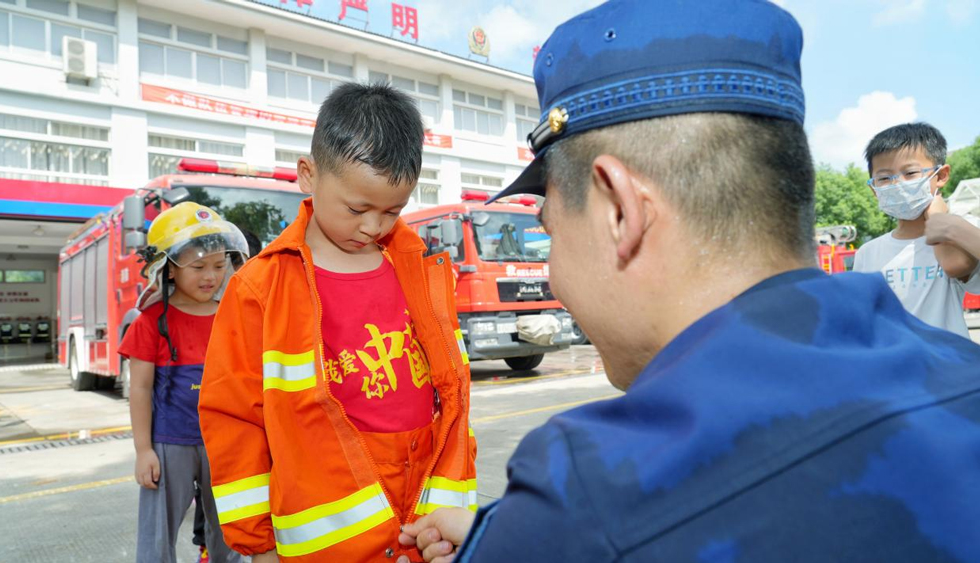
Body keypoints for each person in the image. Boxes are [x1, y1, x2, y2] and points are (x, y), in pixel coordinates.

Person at [396, 1, 980, 562]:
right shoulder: (959, 375)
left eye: (550, 229)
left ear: (620, 210)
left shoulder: (593, 486)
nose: (554, 271)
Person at [198, 82, 477, 563]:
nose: (374, 226)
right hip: (326, 547)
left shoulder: (419, 270)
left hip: (429, 536)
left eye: (393, 210)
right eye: (357, 209)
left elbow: (451, 398)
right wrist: (258, 545)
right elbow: (233, 421)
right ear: (308, 174)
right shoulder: (260, 289)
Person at [118, 202, 248, 563]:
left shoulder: (233, 316)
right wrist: (144, 450)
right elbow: (140, 389)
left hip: (225, 442)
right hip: (168, 442)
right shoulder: (150, 322)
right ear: (169, 269)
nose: (212, 276)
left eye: (220, 265)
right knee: (158, 532)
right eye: (199, 266)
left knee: (231, 530)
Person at [852, 123, 980, 338]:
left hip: (948, 366)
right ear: (873, 188)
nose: (897, 184)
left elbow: (955, 264)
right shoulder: (868, 252)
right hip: (893, 366)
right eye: (884, 178)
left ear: (940, 175)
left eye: (910, 173)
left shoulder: (964, 231)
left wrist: (938, 218)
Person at [189, 226, 263, 563]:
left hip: (253, 414)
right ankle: (208, 546)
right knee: (218, 486)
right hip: (218, 419)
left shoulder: (259, 297)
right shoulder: (213, 304)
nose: (217, 275)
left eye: (225, 266)